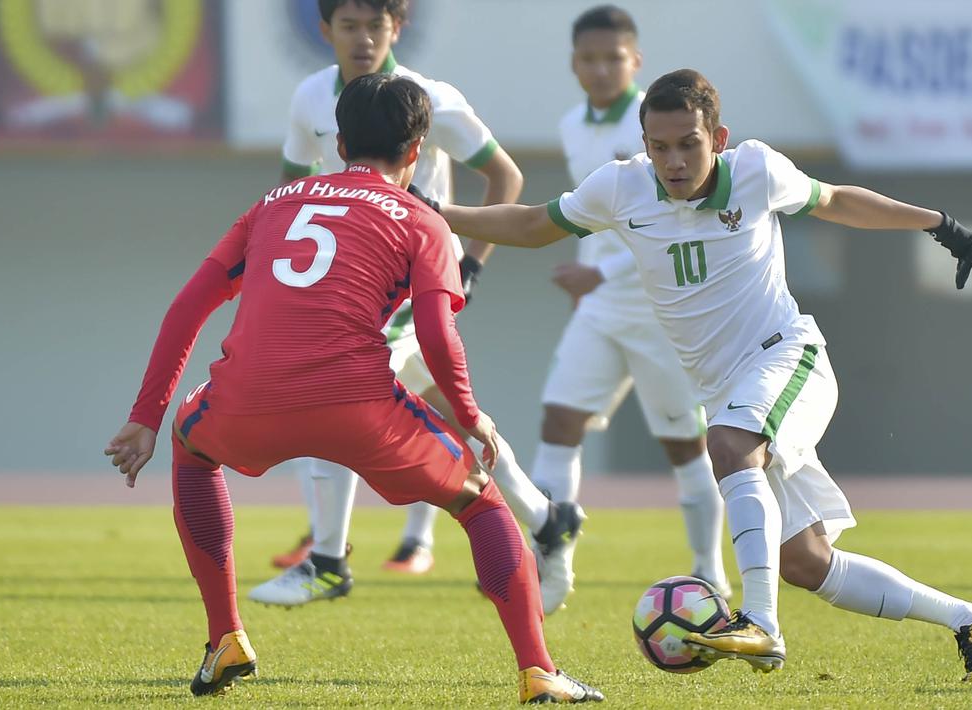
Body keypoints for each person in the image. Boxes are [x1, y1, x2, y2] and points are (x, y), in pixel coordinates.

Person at [421, 68, 972, 683]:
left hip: (787, 357)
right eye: (659, 147)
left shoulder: (756, 170)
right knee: (806, 563)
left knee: (728, 445)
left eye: (688, 144)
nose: (673, 161)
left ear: (718, 138)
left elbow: (835, 199)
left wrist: (935, 223)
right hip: (728, 390)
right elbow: (530, 225)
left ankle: (759, 621)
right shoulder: (621, 189)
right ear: (643, 144)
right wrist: (439, 212)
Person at [104, 73, 603, 703]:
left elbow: (187, 307)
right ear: (418, 151)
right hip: (360, 405)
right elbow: (435, 331)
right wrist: (471, 416)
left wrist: (146, 415)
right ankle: (538, 671)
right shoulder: (424, 220)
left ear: (340, 143)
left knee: (191, 446)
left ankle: (225, 638)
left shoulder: (271, 203)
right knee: (480, 503)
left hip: (246, 401)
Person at [256, 0, 581, 603]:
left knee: (334, 386)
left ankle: (328, 560)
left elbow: (504, 177)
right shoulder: (310, 99)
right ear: (324, 30)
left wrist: (472, 265)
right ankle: (546, 518)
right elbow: (291, 191)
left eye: (375, 26)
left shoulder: (428, 98)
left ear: (397, 28)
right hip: (350, 285)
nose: (362, 39)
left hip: (407, 288)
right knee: (459, 421)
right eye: (349, 26)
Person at [533, 5, 728, 615]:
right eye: (588, 59)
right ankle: (553, 564)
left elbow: (671, 220)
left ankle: (709, 571)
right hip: (598, 309)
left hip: (658, 309)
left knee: (684, 447)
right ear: (573, 64)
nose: (600, 69)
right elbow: (594, 214)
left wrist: (603, 269)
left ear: (634, 61)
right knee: (557, 425)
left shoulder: (659, 125)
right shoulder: (570, 124)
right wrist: (590, 273)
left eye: (612, 58)